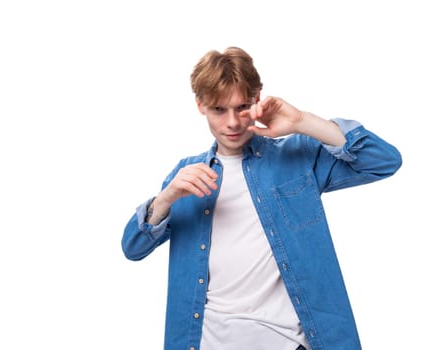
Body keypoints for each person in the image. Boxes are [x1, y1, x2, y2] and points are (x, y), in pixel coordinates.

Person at [122, 46, 402, 350]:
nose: (232, 122)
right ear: (200, 105)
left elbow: (384, 161)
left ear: (258, 96)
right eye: (219, 109)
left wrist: (301, 121)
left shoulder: (296, 157)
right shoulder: (186, 175)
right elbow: (133, 248)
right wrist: (165, 198)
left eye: (242, 106)